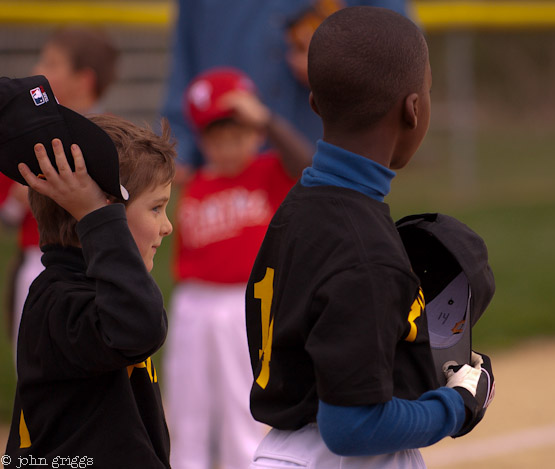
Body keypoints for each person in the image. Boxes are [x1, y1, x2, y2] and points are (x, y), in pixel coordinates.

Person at [245, 7, 495, 468]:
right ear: (413, 109)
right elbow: (352, 425)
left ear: (315, 102)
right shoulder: (366, 253)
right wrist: (454, 406)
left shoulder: (298, 206)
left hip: (283, 451)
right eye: (429, 90)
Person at [0, 75, 174, 466]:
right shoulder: (60, 300)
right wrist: (96, 215)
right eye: (155, 207)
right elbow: (140, 327)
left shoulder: (96, 288)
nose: (167, 226)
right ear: (101, 212)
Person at [165, 67, 312, 469]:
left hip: (242, 303)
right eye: (217, 136)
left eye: (238, 132)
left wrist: (268, 120)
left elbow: (308, 166)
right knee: (186, 406)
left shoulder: (267, 172)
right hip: (191, 304)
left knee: (240, 405)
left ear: (256, 132)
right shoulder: (193, 181)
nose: (228, 144)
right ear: (202, 140)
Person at [161, 0, 407, 178]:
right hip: (224, 156)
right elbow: (185, 51)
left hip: (325, 153)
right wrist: (179, 141)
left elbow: (400, 50)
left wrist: (344, 61)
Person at [1, 26, 120, 357]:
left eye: (51, 63)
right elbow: (7, 217)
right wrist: (16, 199)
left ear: (84, 80)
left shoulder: (113, 139)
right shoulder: (23, 139)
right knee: (33, 368)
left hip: (92, 263)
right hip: (35, 264)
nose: (37, 70)